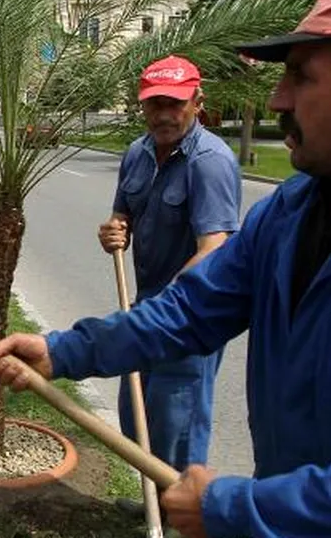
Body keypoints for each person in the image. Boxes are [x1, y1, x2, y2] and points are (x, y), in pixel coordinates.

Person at [0, 0, 331, 538]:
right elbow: (191, 311)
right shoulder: (291, 210)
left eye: (301, 77)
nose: (277, 100)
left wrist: (235, 510)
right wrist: (64, 350)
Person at [98, 54, 242, 517]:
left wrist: (167, 309)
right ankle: (155, 505)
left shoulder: (211, 162)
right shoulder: (137, 154)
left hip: (188, 318)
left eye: (174, 103)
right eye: (155, 103)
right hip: (145, 309)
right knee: (137, 415)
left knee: (178, 427)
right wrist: (114, 231)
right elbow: (122, 217)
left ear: (197, 102)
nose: (164, 113)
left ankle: (186, 520)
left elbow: (214, 248)